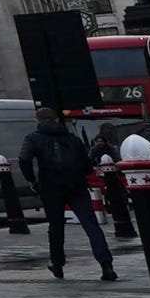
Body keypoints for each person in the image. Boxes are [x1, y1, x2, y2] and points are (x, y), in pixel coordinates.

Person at [19, 104, 117, 282]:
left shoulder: (34, 138)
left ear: (38, 121)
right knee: (91, 225)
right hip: (77, 185)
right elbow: (87, 164)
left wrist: (32, 181)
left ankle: (57, 264)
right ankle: (106, 265)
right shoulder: (72, 138)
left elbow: (24, 158)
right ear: (56, 120)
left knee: (56, 226)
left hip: (51, 186)